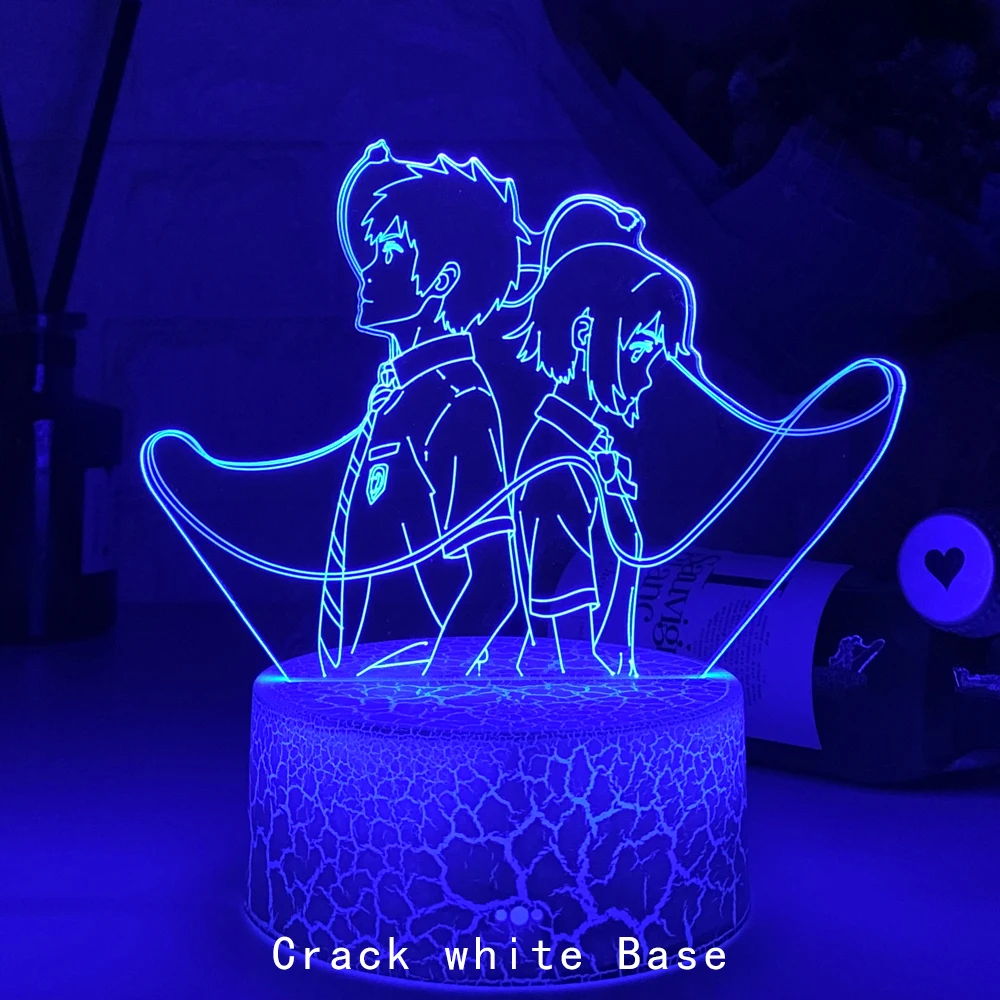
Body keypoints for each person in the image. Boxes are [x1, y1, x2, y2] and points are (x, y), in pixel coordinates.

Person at [319, 141, 531, 675]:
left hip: (403, 698)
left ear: (443, 279)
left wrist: (434, 688)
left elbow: (496, 582)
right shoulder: (400, 397)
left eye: (389, 254)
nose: (367, 272)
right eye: (371, 253)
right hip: (362, 690)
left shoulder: (458, 404)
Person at [510, 241, 689, 676]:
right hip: (578, 697)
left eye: (656, 356)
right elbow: (559, 628)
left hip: (607, 688)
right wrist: (606, 691)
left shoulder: (589, 450)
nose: (648, 375)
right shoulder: (556, 464)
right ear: (584, 334)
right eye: (639, 350)